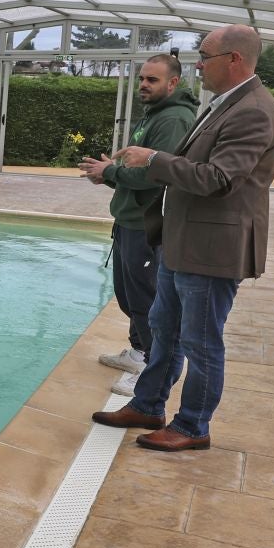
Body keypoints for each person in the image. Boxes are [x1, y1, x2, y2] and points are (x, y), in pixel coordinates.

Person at [91, 25, 274, 452]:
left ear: (234, 59)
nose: (199, 64)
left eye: (206, 56)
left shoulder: (253, 109)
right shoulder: (226, 104)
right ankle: (148, 405)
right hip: (185, 243)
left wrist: (155, 159)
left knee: (200, 342)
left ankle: (193, 426)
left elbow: (218, 180)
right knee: (165, 329)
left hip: (212, 250)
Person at [79, 54, 198, 397]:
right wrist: (109, 175)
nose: (144, 85)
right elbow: (139, 173)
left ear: (173, 83)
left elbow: (157, 174)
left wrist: (111, 172)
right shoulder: (156, 114)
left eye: (153, 80)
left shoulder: (174, 119)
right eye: (142, 78)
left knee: (147, 300)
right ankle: (139, 352)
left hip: (148, 224)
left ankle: (150, 367)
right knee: (129, 295)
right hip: (131, 220)